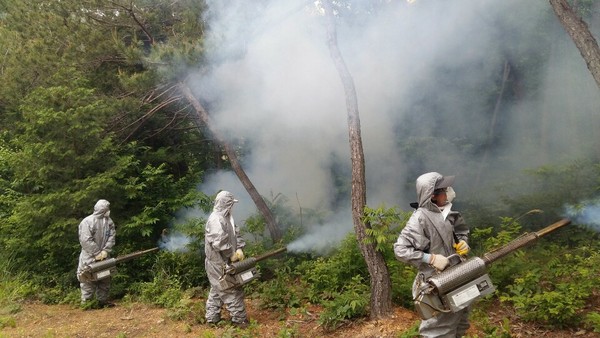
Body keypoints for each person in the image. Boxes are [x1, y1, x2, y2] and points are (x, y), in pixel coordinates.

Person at [394, 172, 470, 337]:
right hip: (437, 283)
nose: (449, 192)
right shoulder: (419, 219)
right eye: (444, 190)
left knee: (460, 322)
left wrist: (463, 243)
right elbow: (400, 250)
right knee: (439, 329)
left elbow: (461, 231)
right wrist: (431, 258)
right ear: (433, 196)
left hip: (457, 274)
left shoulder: (447, 212)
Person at [204, 190, 248, 328]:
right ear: (225, 204)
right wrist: (231, 254)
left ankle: (212, 318)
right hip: (217, 263)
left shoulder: (228, 217)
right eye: (230, 204)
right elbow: (219, 242)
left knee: (217, 289)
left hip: (226, 261)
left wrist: (239, 248)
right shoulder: (215, 220)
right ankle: (240, 320)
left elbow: (236, 233)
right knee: (230, 290)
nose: (232, 207)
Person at [76, 199, 116, 308]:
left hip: (104, 256)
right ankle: (87, 303)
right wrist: (97, 252)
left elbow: (112, 237)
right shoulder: (87, 222)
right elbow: (85, 240)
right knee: (87, 278)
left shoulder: (109, 221)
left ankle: (102, 302)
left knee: (105, 277)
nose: (108, 211)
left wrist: (105, 251)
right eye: (107, 209)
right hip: (89, 256)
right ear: (102, 210)